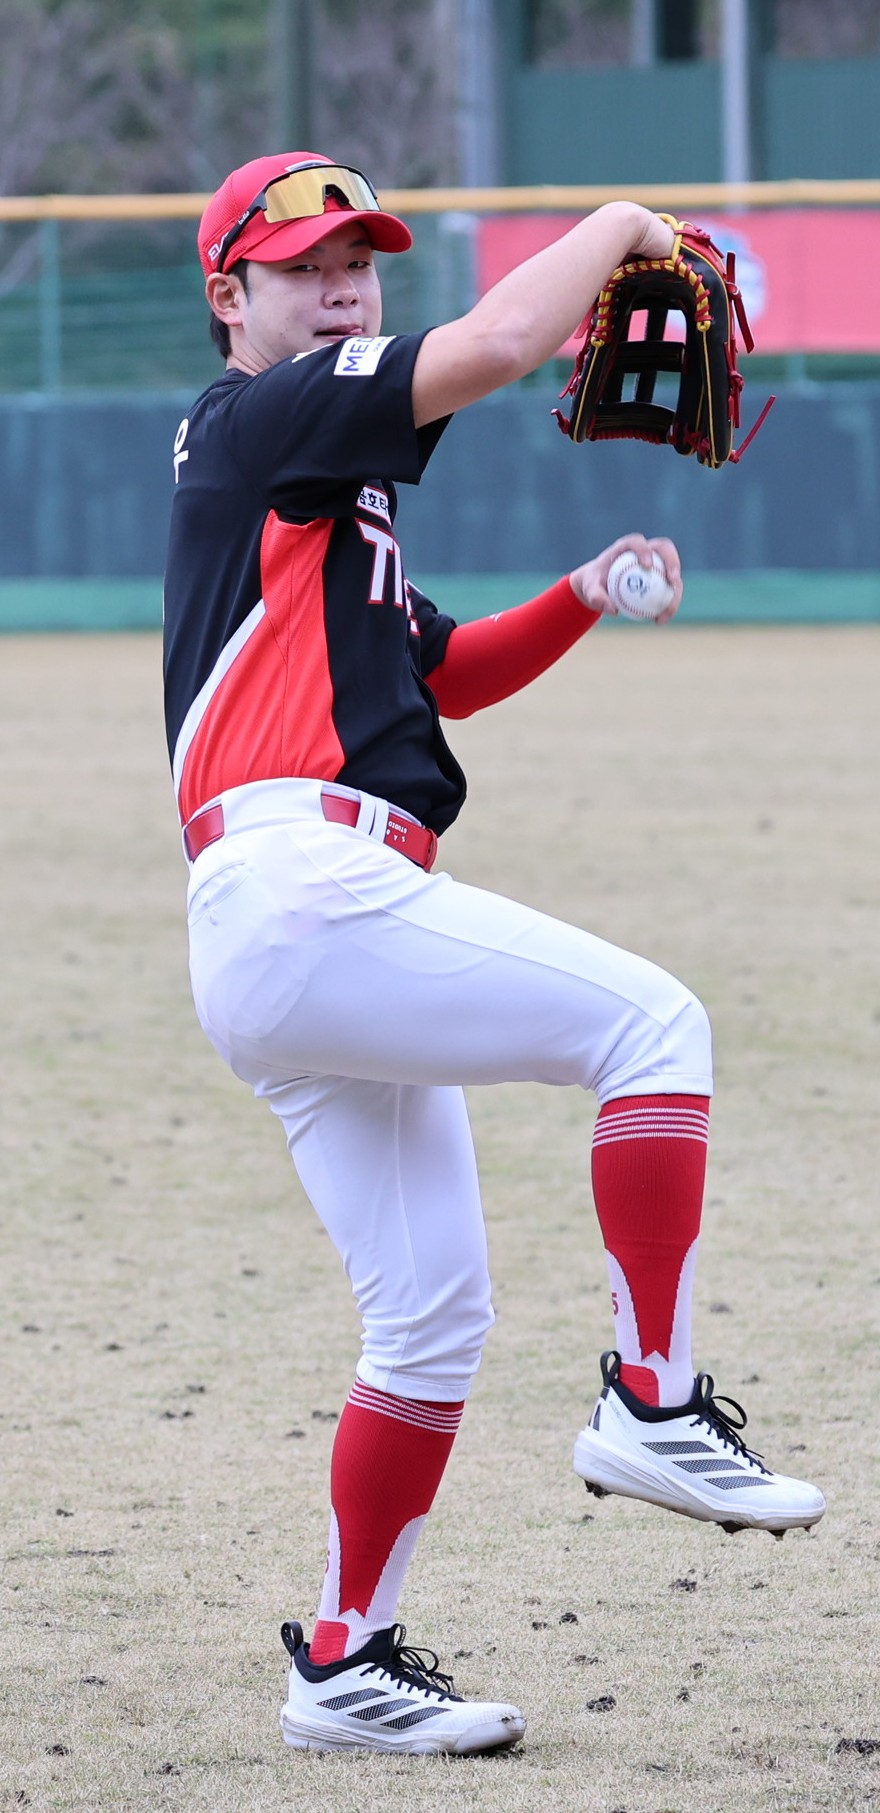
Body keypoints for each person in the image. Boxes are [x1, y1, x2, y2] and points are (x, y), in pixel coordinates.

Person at [162, 152, 825, 1758]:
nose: (343, 285)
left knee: (430, 1321)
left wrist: (582, 593)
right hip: (309, 887)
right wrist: (624, 225)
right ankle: (654, 1397)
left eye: (360, 259)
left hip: (283, 926)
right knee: (655, 1026)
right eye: (306, 264)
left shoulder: (319, 487)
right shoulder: (267, 414)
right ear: (230, 296)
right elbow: (501, 344)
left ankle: (343, 1659)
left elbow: (438, 668)